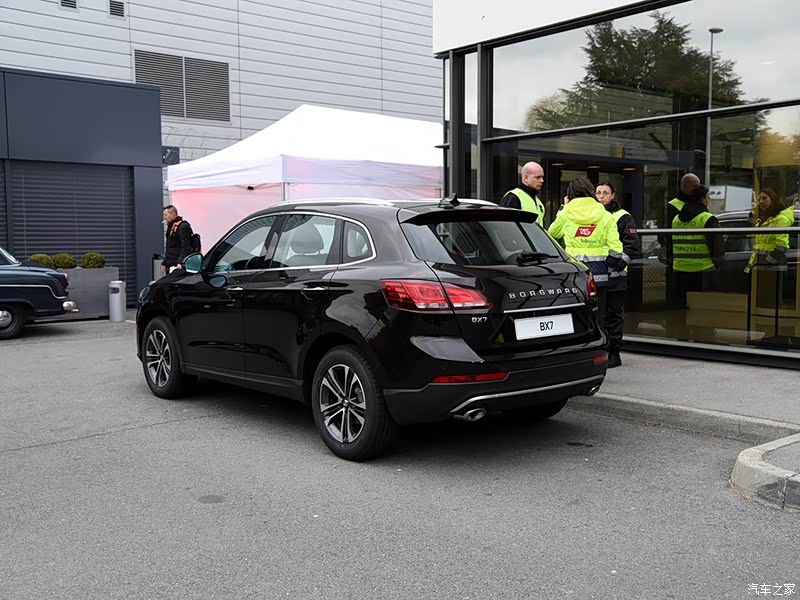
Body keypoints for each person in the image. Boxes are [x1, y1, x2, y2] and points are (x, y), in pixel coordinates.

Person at [548, 177, 624, 330]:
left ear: (571, 193)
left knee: (575, 319)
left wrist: (563, 208)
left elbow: (552, 233)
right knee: (598, 319)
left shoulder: (566, 213)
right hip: (599, 275)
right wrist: (608, 268)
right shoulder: (605, 215)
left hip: (573, 275)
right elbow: (616, 249)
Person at [595, 182, 640, 368]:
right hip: (598, 274)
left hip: (616, 276)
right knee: (600, 316)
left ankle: (614, 354)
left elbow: (632, 246)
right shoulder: (594, 215)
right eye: (598, 193)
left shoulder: (623, 216)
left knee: (613, 315)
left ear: (613, 195)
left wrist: (618, 266)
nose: (601, 196)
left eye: (605, 193)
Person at [671, 185, 724, 324]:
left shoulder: (676, 219)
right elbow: (717, 246)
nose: (708, 200)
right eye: (707, 197)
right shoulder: (707, 218)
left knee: (682, 312)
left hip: (680, 270)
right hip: (702, 270)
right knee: (702, 312)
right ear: (702, 199)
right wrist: (718, 263)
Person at [745, 188, 795, 306]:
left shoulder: (780, 219)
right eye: (759, 199)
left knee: (771, 301)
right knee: (761, 300)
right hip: (760, 264)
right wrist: (753, 212)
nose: (761, 201)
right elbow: (750, 231)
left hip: (772, 266)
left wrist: (767, 262)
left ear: (773, 200)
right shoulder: (765, 219)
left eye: (764, 198)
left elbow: (782, 245)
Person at [162, 205, 194, 273]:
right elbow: (169, 247)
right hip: (170, 264)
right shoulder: (171, 227)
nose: (164, 217)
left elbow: (186, 247)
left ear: (173, 214)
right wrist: (165, 262)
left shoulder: (183, 227)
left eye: (166, 215)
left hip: (177, 265)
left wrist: (181, 262)